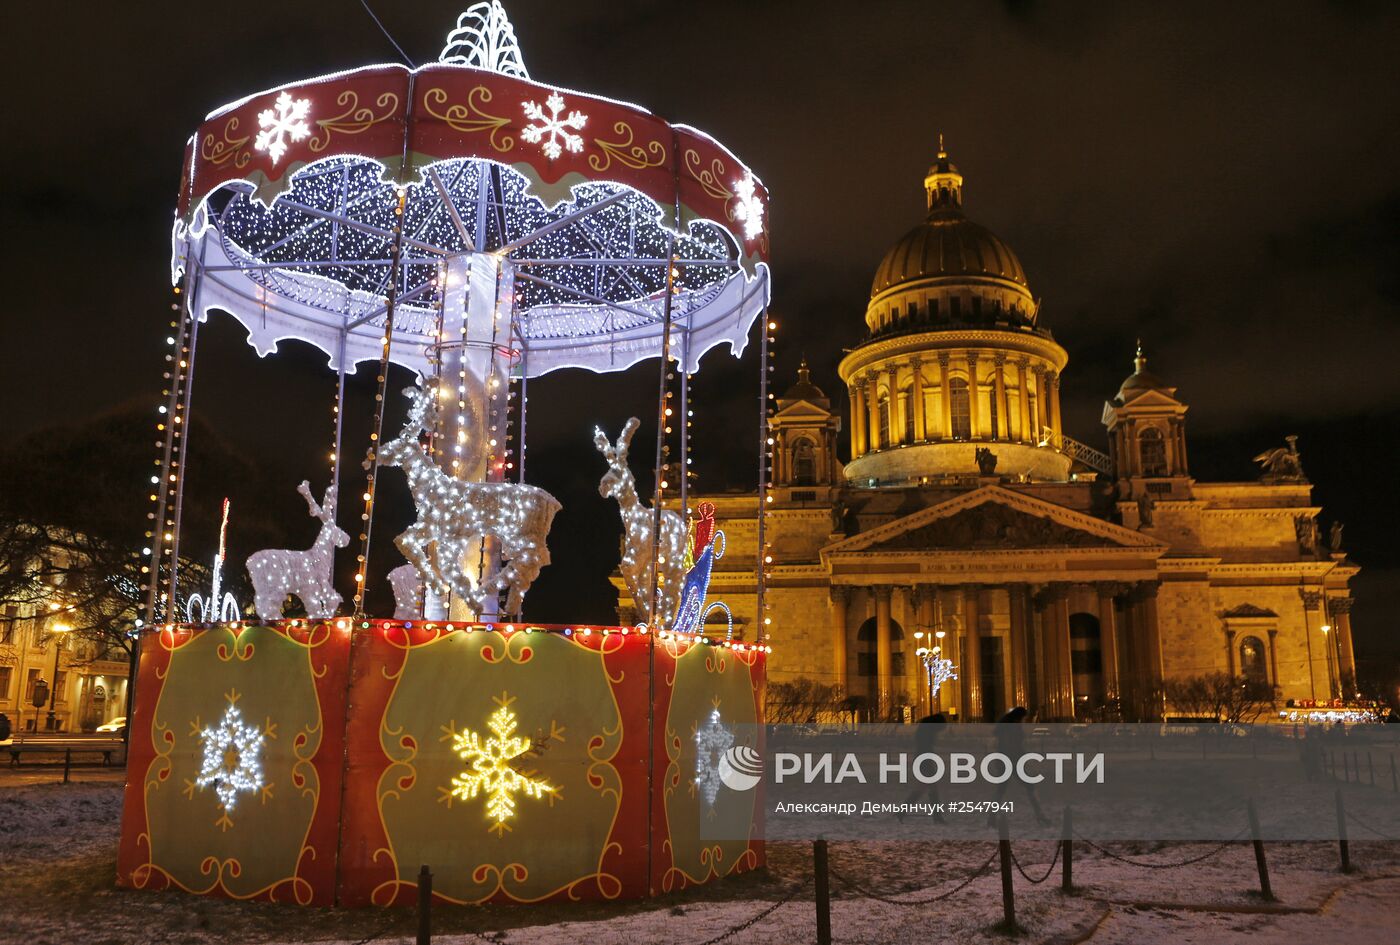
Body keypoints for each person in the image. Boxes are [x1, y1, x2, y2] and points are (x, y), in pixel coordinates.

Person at [991, 706, 1051, 826]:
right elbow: (1014, 747)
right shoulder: (1013, 728)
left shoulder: (1005, 727)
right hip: (1012, 762)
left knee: (1001, 791)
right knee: (1030, 788)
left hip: (1004, 761)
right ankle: (1040, 815)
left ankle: (991, 817)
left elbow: (1006, 745)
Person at [899, 713, 947, 823]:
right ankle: (937, 816)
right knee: (929, 789)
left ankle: (902, 812)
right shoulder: (927, 734)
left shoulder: (924, 731)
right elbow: (927, 749)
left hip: (922, 760)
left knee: (923, 789)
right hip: (925, 761)